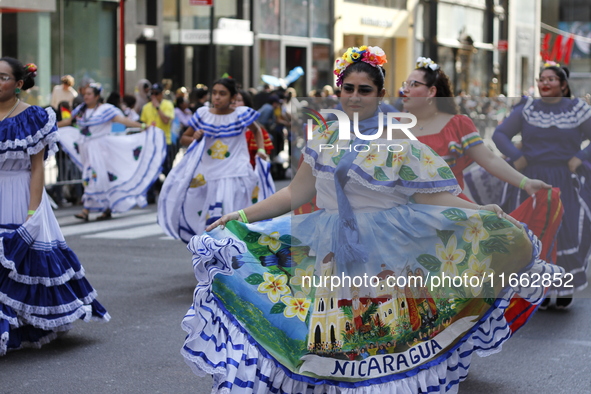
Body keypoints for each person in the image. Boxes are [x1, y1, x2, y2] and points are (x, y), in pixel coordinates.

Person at [179, 46, 564, 392]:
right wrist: (241, 215)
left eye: (365, 90)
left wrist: (480, 212)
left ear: (380, 94)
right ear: (338, 90)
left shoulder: (399, 140)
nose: (355, 97)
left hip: (387, 246)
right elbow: (295, 193)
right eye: (348, 89)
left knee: (374, 334)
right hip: (327, 242)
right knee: (328, 330)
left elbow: (434, 195)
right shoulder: (324, 136)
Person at [402, 57, 561, 331]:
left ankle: (450, 338)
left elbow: (489, 159)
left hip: (453, 214)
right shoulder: (395, 128)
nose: (404, 89)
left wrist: (525, 183)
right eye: (404, 84)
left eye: (413, 84)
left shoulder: (457, 124)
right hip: (405, 219)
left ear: (431, 93)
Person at [0, 58, 110, 356]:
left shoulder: (34, 117)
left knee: (23, 261)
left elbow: (37, 169)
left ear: (19, 83)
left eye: (3, 77)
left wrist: (33, 212)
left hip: (21, 193)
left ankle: (27, 324)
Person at [493, 62, 591, 309]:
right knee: (534, 230)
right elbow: (500, 134)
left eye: (551, 79)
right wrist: (516, 157)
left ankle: (564, 285)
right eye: (541, 79)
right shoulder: (527, 108)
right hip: (533, 180)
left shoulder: (577, 109)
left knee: (566, 229)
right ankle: (541, 287)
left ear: (563, 84)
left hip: (564, 179)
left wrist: (580, 157)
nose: (544, 83)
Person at [157, 78, 270, 243]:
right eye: (214, 93)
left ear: (232, 97)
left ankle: (234, 256)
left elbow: (257, 130)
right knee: (210, 221)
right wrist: (194, 137)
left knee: (233, 220)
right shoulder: (203, 115)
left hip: (236, 175)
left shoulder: (241, 114)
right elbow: (184, 138)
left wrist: (261, 150)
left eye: (222, 94)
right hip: (209, 177)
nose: (217, 97)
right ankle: (214, 256)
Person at [57, 82, 167, 221]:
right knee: (102, 178)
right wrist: (51, 127)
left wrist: (142, 126)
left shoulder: (106, 110)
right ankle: (107, 208)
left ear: (97, 96)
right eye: (85, 94)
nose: (86, 97)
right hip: (86, 148)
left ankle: (86, 210)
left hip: (101, 148)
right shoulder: (81, 110)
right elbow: (68, 122)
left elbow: (122, 120)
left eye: (89, 94)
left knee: (92, 176)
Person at [140, 83, 176, 176]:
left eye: (157, 93)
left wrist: (157, 107)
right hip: (150, 142)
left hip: (164, 141)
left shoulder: (168, 104)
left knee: (166, 168)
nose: (154, 96)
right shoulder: (146, 107)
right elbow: (142, 125)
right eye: (152, 93)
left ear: (161, 94)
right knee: (150, 168)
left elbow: (166, 120)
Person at [232, 89, 273, 168]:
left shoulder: (256, 130)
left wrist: (261, 150)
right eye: (233, 100)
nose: (234, 103)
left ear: (246, 104)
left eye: (238, 100)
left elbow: (261, 156)